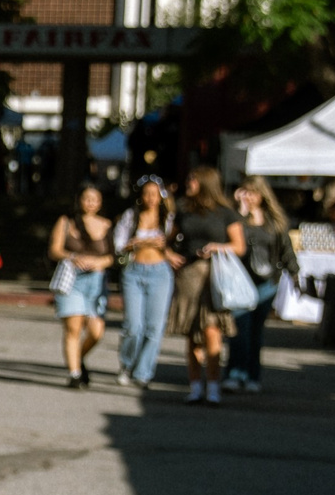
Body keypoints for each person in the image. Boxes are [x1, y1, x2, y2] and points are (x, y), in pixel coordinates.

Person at [166, 166, 246, 405]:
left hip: (215, 276)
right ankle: (195, 386)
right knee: (192, 333)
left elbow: (239, 246)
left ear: (206, 182)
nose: (188, 183)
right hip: (189, 274)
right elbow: (166, 240)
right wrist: (170, 255)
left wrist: (217, 247)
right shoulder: (183, 210)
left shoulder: (225, 213)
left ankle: (213, 386)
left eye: (192, 179)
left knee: (212, 331)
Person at [226, 177, 294, 391]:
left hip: (267, 283)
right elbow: (227, 236)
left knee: (256, 331)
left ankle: (252, 376)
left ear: (263, 195)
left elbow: (286, 249)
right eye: (245, 192)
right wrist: (240, 212)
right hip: (240, 281)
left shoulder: (275, 222)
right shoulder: (238, 220)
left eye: (253, 193)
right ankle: (234, 374)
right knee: (240, 328)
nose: (250, 197)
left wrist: (295, 273)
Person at [47, 183, 113, 389]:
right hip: (72, 279)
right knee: (73, 328)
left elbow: (113, 256)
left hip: (96, 282)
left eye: (95, 199)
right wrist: (73, 257)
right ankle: (74, 374)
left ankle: (78, 358)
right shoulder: (66, 222)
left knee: (96, 331)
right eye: (87, 198)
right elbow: (54, 250)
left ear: (100, 202)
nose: (90, 203)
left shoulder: (107, 225)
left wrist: (99, 262)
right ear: (79, 200)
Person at [112, 174, 175, 389]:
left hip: (160, 272)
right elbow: (119, 244)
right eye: (146, 194)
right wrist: (136, 242)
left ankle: (143, 372)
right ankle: (127, 364)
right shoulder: (132, 216)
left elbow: (175, 246)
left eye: (154, 194)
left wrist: (163, 246)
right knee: (133, 325)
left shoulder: (168, 218)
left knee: (154, 327)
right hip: (135, 271)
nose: (150, 198)